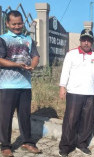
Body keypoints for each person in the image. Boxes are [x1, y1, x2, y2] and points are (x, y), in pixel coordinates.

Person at [58, 29, 94, 157]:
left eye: (89, 40)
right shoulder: (71, 54)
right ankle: (65, 147)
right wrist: (62, 87)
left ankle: (82, 144)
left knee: (87, 121)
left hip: (90, 93)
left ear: (92, 42)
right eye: (84, 40)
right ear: (80, 40)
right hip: (74, 92)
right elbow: (65, 71)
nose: (86, 43)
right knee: (71, 120)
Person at [0, 10, 41, 157]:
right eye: (14, 24)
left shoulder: (28, 39)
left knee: (25, 116)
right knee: (6, 117)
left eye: (20, 23)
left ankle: (27, 142)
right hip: (8, 85)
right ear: (7, 23)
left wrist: (33, 65)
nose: (17, 26)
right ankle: (5, 145)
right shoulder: (3, 39)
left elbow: (35, 56)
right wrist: (16, 65)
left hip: (25, 84)